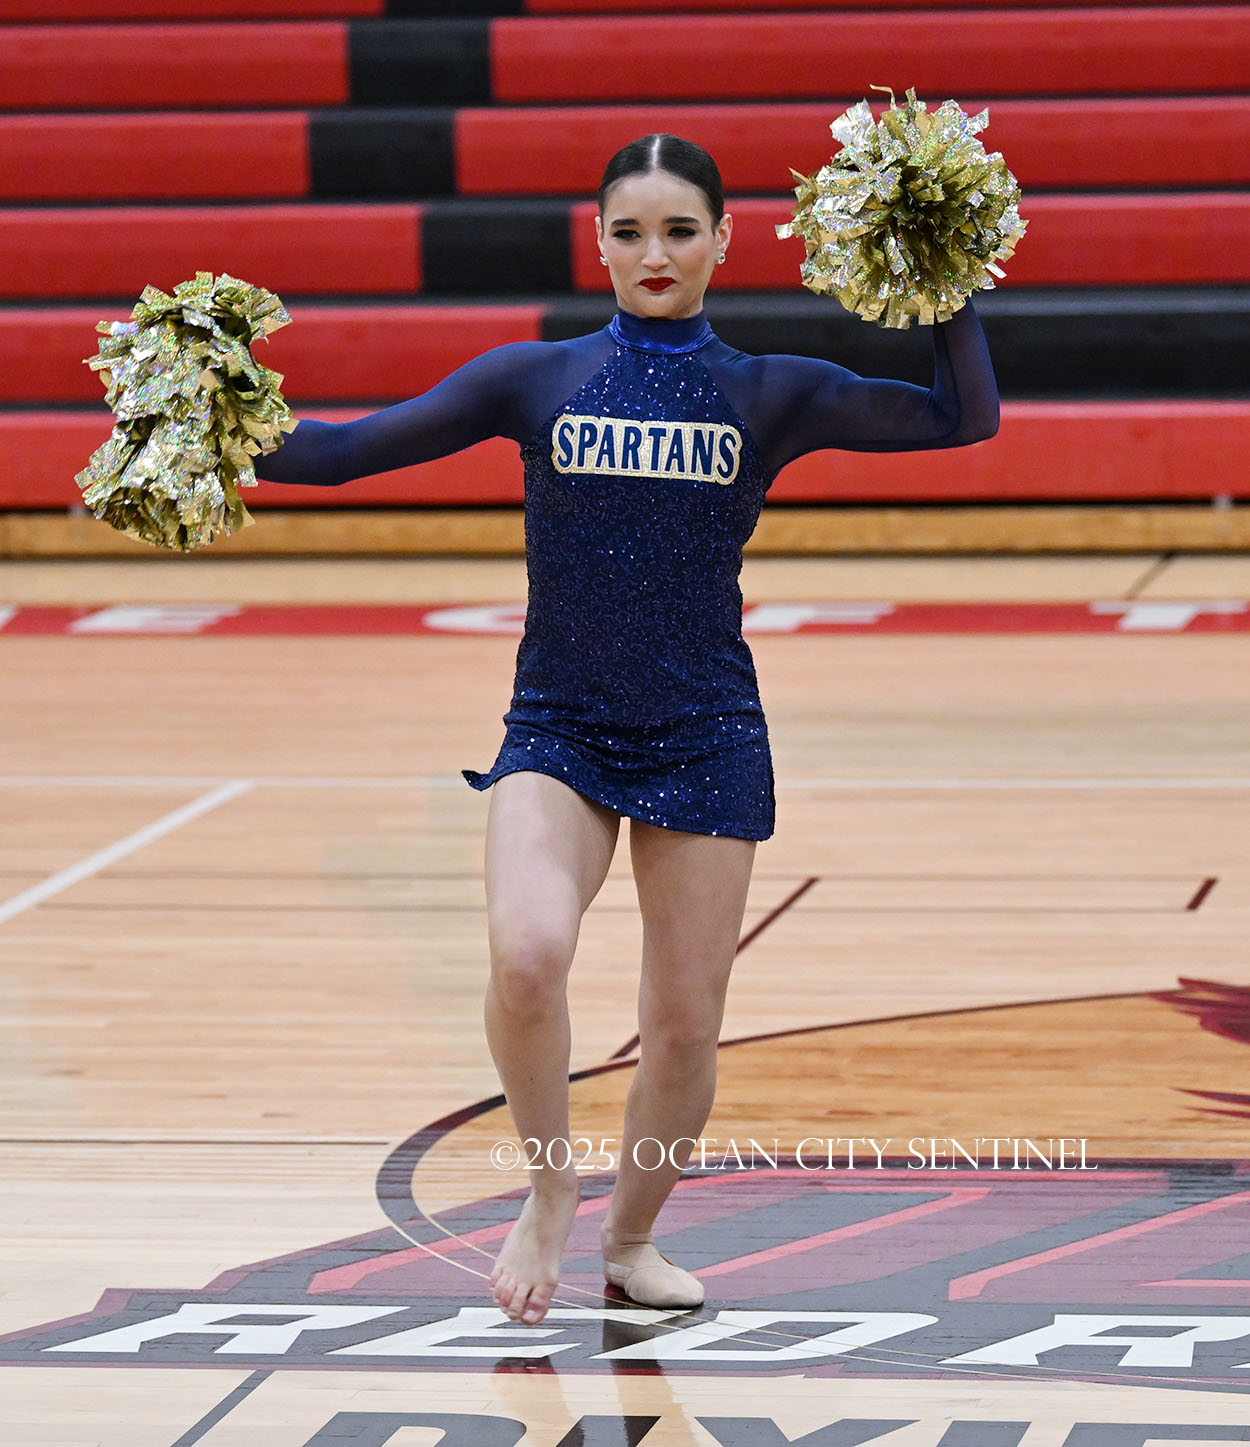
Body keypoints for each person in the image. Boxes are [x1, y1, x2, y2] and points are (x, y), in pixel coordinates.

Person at [253, 133, 999, 1328]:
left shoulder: (768, 391)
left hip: (703, 728)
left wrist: (943, 273)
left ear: (723, 239)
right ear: (594, 241)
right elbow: (340, 454)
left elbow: (962, 420)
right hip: (560, 724)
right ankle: (549, 1191)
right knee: (525, 953)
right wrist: (196, 412)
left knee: (683, 1024)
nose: (654, 253)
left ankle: (632, 1237)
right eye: (629, 231)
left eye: (679, 230)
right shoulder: (532, 378)